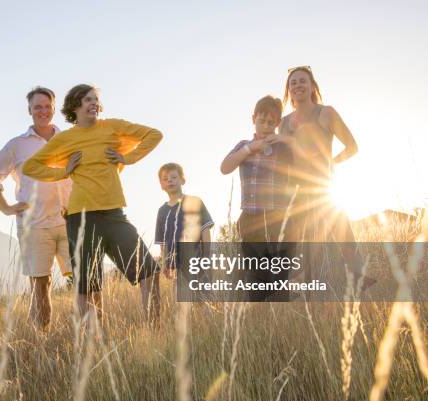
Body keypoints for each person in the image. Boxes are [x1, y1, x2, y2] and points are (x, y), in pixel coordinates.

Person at [23, 84, 162, 324]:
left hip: (115, 214)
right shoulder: (65, 139)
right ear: (75, 106)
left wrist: (126, 158)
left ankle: (155, 331)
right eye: (88, 99)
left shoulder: (113, 127)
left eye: (96, 99)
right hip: (82, 218)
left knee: (149, 272)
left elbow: (154, 135)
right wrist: (64, 171)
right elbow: (31, 166)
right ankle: (92, 342)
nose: (94, 103)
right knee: (88, 288)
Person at [0, 86, 72, 331]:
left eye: (47, 106)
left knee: (83, 281)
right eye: (37, 107)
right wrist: (6, 208)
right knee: (40, 285)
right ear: (30, 111)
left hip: (71, 221)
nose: (43, 111)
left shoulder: (70, 140)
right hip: (34, 226)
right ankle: (40, 340)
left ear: (55, 108)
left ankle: (88, 337)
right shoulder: (17, 145)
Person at [276, 66, 367, 288]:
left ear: (312, 86)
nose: (297, 85)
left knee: (342, 233)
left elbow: (352, 146)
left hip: (323, 188)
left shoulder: (326, 113)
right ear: (288, 90)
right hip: (294, 191)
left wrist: (332, 163)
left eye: (302, 81)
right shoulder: (283, 123)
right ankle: (308, 288)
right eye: (293, 82)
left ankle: (359, 282)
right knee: (302, 243)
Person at [221, 95, 295, 301]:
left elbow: (307, 155)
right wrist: (249, 149)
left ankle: (280, 320)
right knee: (255, 279)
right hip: (250, 220)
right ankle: (258, 319)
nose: (266, 126)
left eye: (271, 123)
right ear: (253, 118)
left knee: (279, 277)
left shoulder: (282, 147)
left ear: (278, 124)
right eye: (262, 121)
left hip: (277, 220)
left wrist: (286, 139)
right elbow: (225, 168)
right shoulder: (243, 145)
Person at [155, 163, 214, 279]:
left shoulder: (195, 202)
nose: (170, 181)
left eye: (174, 177)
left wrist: (206, 257)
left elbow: (205, 229)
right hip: (175, 266)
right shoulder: (162, 211)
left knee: (201, 294)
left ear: (182, 180)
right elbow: (163, 242)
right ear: (162, 185)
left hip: (197, 261)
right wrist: (166, 264)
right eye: (165, 179)